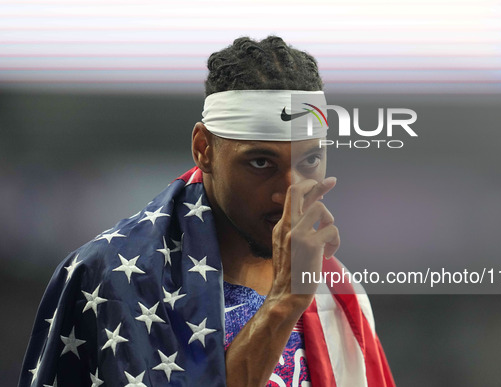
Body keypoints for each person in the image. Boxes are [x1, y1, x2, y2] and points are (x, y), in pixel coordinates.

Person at [19, 36, 395, 387]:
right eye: (261, 163)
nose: (288, 193)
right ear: (204, 149)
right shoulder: (113, 277)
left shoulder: (338, 290)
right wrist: (284, 303)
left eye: (310, 159)